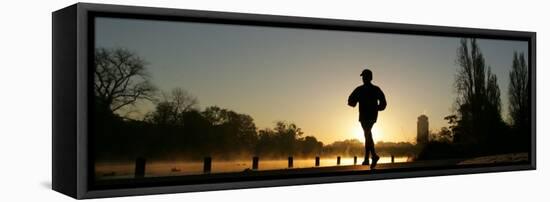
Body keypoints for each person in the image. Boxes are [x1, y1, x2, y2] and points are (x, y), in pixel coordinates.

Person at [348, 68, 387, 169]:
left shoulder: (370, 89)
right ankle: (369, 157)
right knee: (367, 135)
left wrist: (376, 108)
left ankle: (372, 156)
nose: (363, 78)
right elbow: (351, 100)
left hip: (369, 116)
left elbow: (383, 103)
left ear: (370, 77)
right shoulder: (361, 89)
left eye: (365, 76)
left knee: (367, 134)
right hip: (365, 116)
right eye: (363, 77)